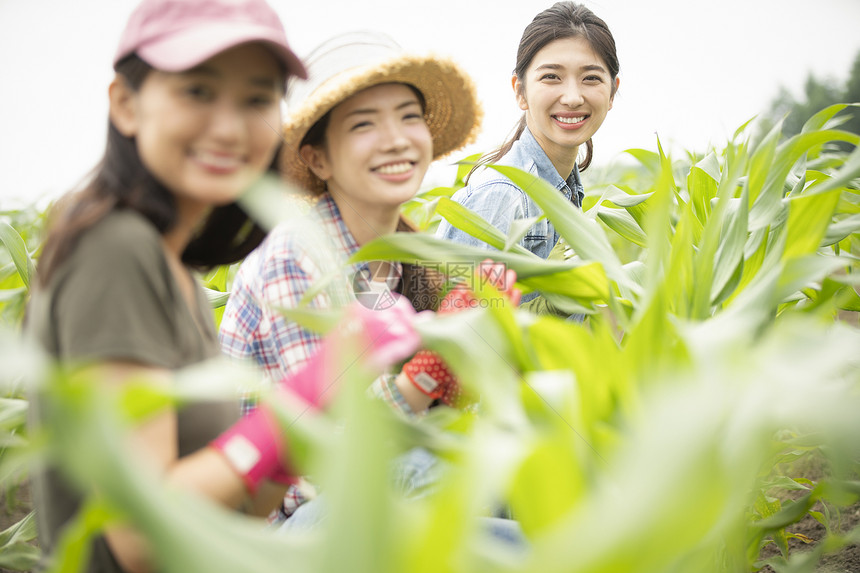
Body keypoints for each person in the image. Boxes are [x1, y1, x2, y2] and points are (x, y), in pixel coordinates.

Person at [22, 2, 418, 572]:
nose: (229, 127)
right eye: (198, 93)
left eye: (256, 99)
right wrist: (311, 389)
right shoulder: (115, 248)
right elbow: (139, 537)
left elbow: (246, 509)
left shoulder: (172, 265)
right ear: (126, 104)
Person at [218, 32, 523, 522]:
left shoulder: (405, 258)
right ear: (318, 158)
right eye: (364, 124)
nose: (397, 139)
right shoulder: (296, 259)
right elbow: (315, 474)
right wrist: (428, 373)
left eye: (408, 116)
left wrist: (476, 358)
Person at [436, 1, 620, 315]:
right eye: (551, 77)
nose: (573, 97)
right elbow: (463, 337)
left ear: (613, 92)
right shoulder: (504, 198)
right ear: (520, 91)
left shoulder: (563, 192)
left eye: (591, 78)